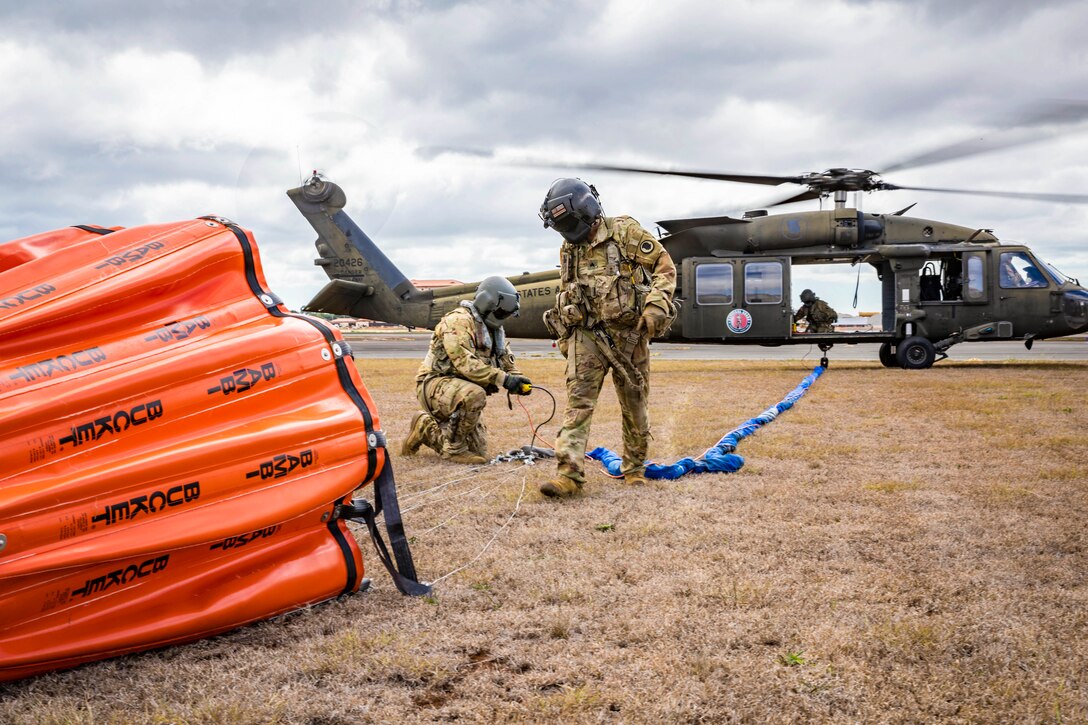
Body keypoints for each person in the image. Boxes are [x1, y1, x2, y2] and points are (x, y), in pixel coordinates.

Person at [538, 178, 676, 498]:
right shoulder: (568, 248)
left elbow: (664, 266)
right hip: (586, 335)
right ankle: (568, 475)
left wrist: (656, 305)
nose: (566, 230)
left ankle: (634, 469)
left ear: (585, 211)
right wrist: (565, 336)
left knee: (634, 404)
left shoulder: (625, 232)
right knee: (578, 403)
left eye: (567, 222)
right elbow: (567, 290)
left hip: (629, 335)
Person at [402, 276, 532, 464]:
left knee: (478, 450)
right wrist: (504, 379)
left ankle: (424, 428)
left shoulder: (493, 329)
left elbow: (505, 359)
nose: (503, 317)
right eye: (502, 312)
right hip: (434, 383)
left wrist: (517, 378)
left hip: (460, 388)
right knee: (475, 394)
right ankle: (454, 450)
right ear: (488, 302)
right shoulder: (458, 321)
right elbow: (465, 364)